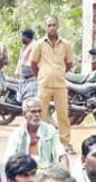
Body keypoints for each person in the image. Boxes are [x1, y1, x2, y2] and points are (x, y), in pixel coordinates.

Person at [31, 16, 74, 151]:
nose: (51, 28)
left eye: (54, 25)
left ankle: (65, 143)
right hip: (44, 84)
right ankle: (42, 142)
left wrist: (60, 72)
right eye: (49, 25)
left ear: (58, 26)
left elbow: (69, 63)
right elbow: (33, 62)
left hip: (60, 85)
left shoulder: (65, 45)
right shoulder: (39, 44)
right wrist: (41, 74)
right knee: (40, 114)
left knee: (62, 115)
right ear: (45, 27)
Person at [5, 97, 68, 171]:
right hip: (24, 173)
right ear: (24, 114)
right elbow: (9, 158)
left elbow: (61, 153)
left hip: (47, 175)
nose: (37, 115)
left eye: (39, 111)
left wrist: (66, 172)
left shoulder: (50, 131)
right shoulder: (17, 134)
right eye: (33, 112)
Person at [15, 28, 38, 104]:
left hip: (32, 79)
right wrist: (18, 70)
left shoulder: (34, 46)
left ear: (27, 37)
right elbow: (20, 60)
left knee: (30, 102)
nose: (21, 39)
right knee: (24, 103)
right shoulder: (24, 48)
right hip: (24, 80)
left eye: (23, 37)